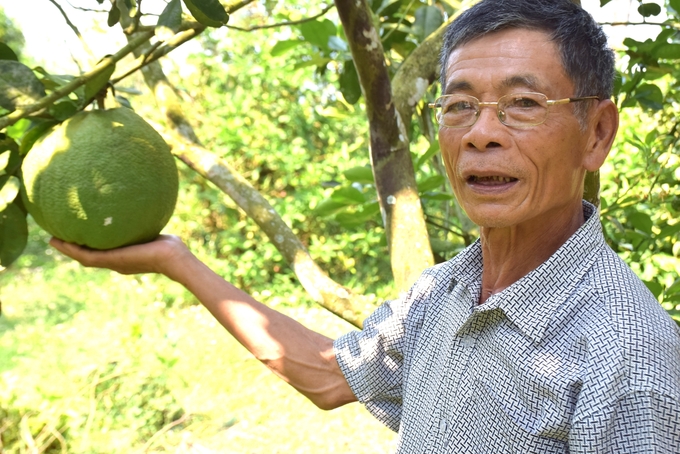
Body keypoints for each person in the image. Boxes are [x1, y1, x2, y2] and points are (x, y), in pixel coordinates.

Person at [51, 0, 680, 451]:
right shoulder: (448, 290)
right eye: (459, 105)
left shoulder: (628, 357)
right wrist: (176, 260)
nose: (481, 133)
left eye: (522, 104)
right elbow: (330, 373)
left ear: (596, 133)